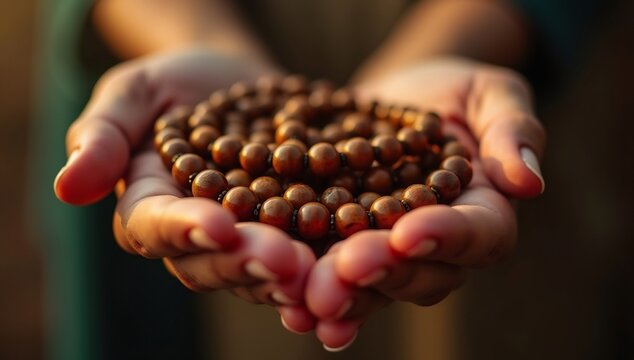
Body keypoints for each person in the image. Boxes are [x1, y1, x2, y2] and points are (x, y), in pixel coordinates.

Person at [45, 0, 607, 356]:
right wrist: (197, 37)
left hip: (486, 32)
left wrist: (460, 35)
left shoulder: (421, 158)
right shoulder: (223, 137)